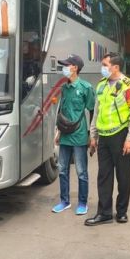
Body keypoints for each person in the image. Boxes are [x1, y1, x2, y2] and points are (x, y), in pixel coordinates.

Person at [85, 52, 130, 226]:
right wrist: (93, 135)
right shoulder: (101, 85)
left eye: (105, 64)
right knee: (104, 176)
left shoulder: (129, 86)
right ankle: (104, 213)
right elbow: (97, 112)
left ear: (115, 67)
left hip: (121, 136)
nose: (102, 67)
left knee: (124, 177)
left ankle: (122, 211)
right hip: (104, 137)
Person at [52, 54, 95, 216]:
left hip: (79, 135)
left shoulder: (86, 88)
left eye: (66, 65)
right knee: (62, 169)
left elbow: (92, 111)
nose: (64, 68)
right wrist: (58, 133)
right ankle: (64, 201)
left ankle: (83, 203)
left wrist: (92, 136)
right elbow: (62, 112)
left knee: (81, 171)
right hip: (65, 136)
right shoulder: (64, 88)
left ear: (75, 68)